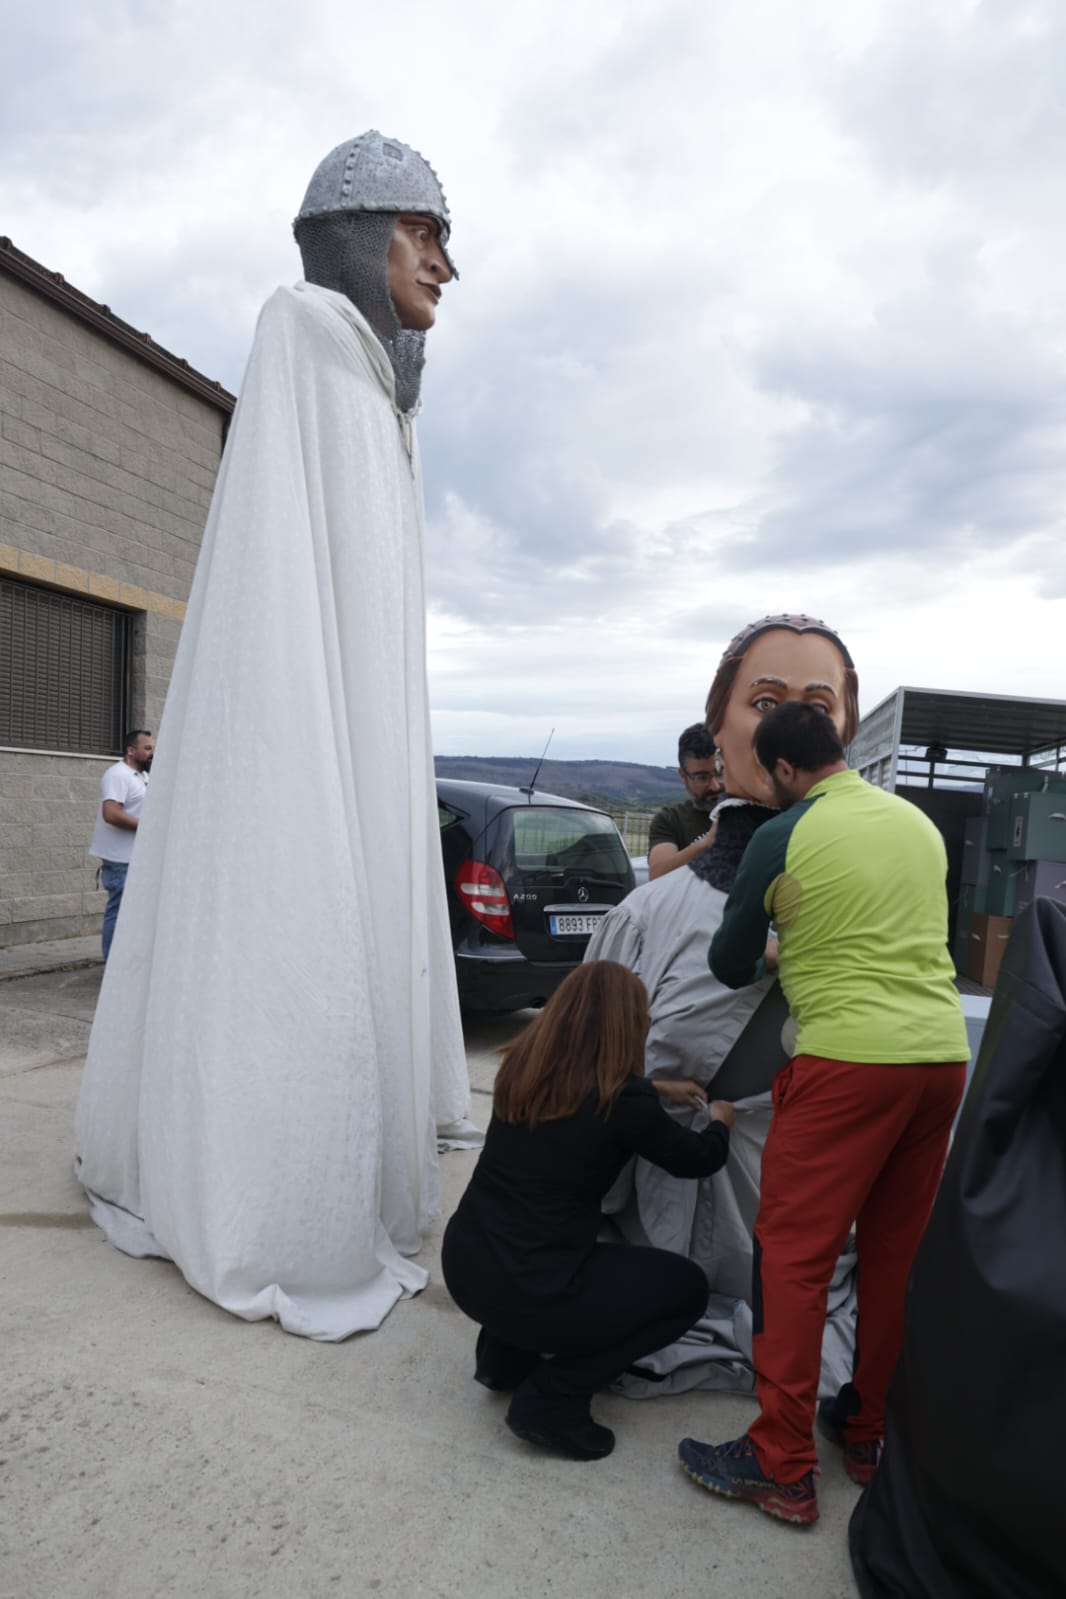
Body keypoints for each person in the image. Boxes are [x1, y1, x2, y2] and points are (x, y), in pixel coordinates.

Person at [75, 131, 477, 1341]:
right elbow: (288, 602)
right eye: (423, 233)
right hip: (305, 723)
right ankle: (277, 1181)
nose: (445, 267)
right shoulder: (304, 335)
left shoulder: (375, 394)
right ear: (359, 235)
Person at [679, 700, 968, 1527]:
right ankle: (869, 1431)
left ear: (779, 771)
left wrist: (780, 944)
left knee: (793, 1257)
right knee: (890, 1254)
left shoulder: (783, 833)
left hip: (848, 1062)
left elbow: (730, 963)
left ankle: (780, 1463)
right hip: (940, 1059)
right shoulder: (917, 824)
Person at [584, 615, 861, 1398]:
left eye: (816, 702)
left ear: (846, 731)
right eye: (764, 698)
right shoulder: (647, 918)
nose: (784, 723)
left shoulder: (870, 905)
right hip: (657, 1226)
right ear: (718, 726)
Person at [442, 961, 735, 1461]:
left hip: (467, 1267)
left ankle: (502, 1360)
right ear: (629, 1026)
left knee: (532, 1251)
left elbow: (586, 1095)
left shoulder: (521, 1069)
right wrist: (721, 1123)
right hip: (531, 1287)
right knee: (686, 1290)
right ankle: (552, 1400)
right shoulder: (624, 1105)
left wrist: (656, 1088)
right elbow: (697, 1160)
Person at [88, 729, 154, 960]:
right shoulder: (118, 775)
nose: (152, 753)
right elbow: (111, 813)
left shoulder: (142, 776)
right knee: (118, 912)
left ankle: (124, 964)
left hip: (135, 857)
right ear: (130, 750)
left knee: (133, 913)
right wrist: (147, 827)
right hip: (120, 860)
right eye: (147, 748)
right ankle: (111, 965)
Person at [647, 723, 723, 880]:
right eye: (702, 777)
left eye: (720, 773)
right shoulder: (670, 820)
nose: (715, 786)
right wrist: (708, 841)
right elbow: (658, 875)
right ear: (683, 776)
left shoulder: (754, 809)